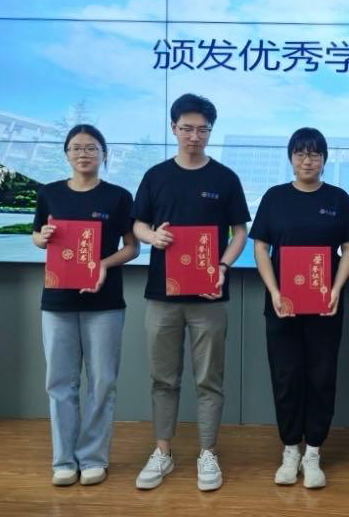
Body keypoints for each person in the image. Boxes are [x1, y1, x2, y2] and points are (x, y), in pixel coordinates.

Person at [132, 94, 250, 492]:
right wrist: (153, 236)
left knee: (209, 380)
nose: (194, 136)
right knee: (163, 379)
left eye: (202, 129)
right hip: (161, 296)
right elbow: (137, 224)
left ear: (210, 132)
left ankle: (207, 453)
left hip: (209, 297)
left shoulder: (225, 178)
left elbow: (240, 232)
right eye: (187, 128)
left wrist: (224, 265)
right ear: (173, 128)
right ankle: (162, 452)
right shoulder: (156, 176)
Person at [31, 124, 138, 487]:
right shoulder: (49, 193)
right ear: (66, 154)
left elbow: (132, 247)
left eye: (92, 148)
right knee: (60, 382)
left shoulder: (118, 197)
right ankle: (63, 460)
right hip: (57, 301)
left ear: (104, 154)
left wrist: (103, 265)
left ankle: (93, 457)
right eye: (76, 148)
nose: (83, 154)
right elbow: (36, 236)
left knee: (102, 382)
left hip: (104, 303)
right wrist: (42, 237)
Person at [250, 127, 349, 489]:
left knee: (321, 377)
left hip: (325, 307)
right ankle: (290, 450)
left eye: (314, 154)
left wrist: (337, 289)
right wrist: (274, 290)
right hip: (282, 306)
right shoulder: (275, 197)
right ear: (291, 158)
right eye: (300, 153)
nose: (307, 160)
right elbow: (261, 247)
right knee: (286, 378)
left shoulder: (338, 199)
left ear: (324, 159)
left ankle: (313, 452)